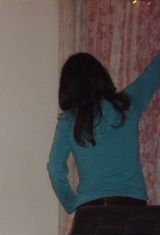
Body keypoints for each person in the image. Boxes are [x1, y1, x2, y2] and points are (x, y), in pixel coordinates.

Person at [47, 51, 160, 214]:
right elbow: (153, 74)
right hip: (132, 206)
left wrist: (71, 204)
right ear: (101, 77)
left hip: (90, 210)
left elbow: (55, 168)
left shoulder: (68, 121)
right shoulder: (127, 104)